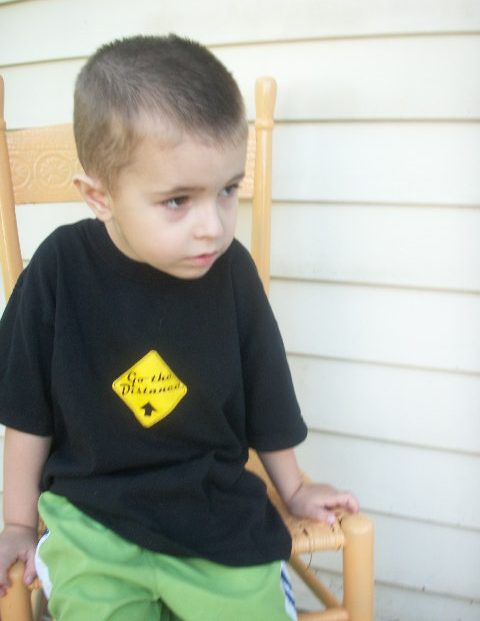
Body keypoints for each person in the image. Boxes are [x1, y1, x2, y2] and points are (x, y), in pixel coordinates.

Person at [0, 35, 359, 620]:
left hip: (216, 512)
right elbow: (26, 411)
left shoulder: (232, 272)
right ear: (100, 196)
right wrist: (17, 522)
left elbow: (266, 390)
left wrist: (293, 488)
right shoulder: (58, 270)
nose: (212, 226)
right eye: (177, 201)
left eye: (227, 190)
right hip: (92, 522)